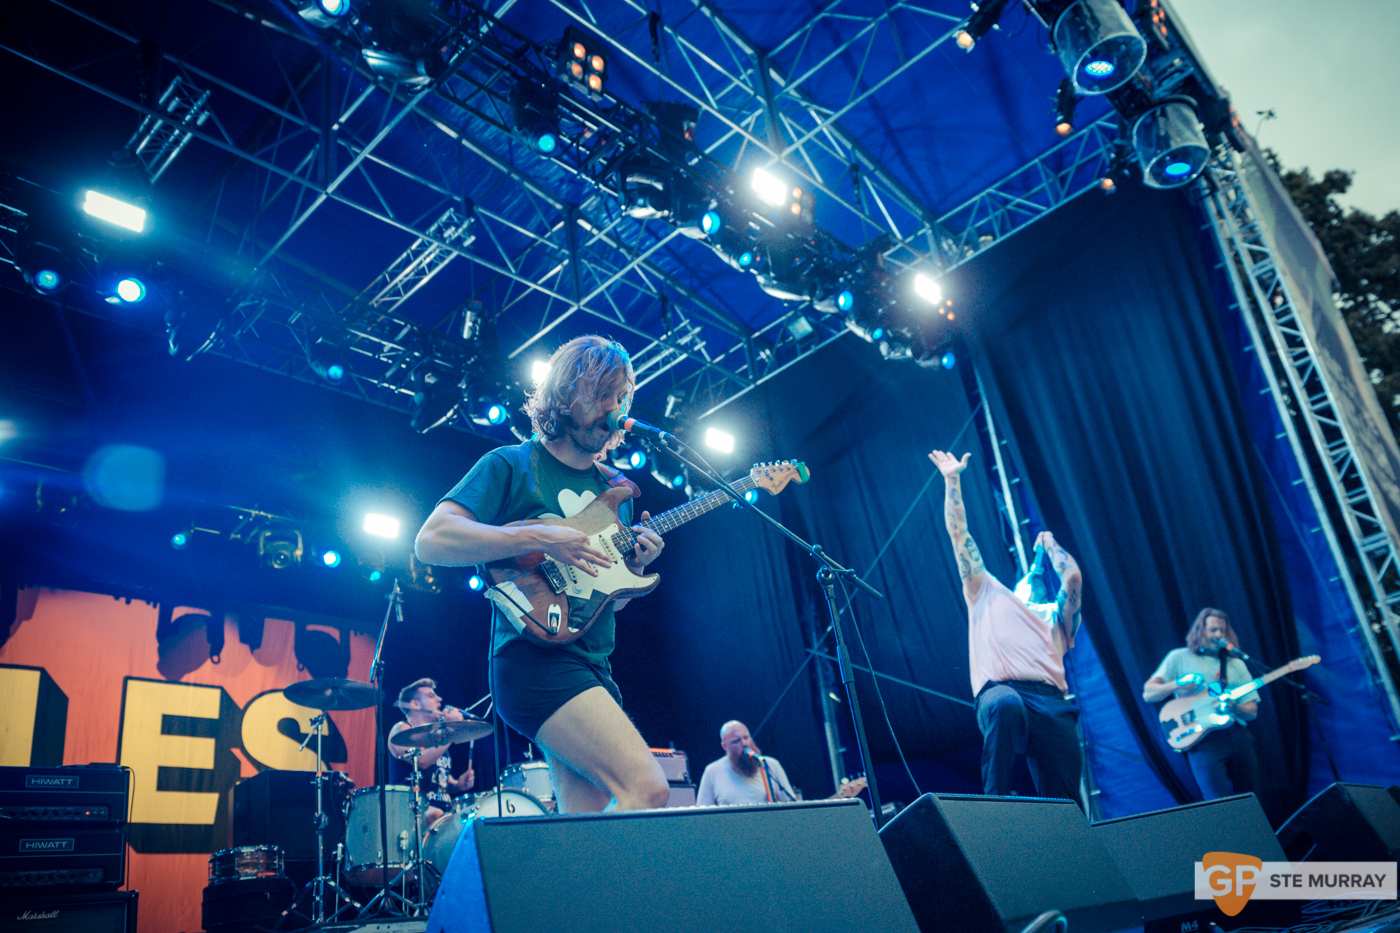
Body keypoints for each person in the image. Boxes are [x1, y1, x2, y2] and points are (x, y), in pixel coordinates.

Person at [415, 335, 670, 814]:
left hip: (593, 661)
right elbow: (431, 540)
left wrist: (635, 566)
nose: (614, 410)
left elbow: (608, 601)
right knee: (649, 789)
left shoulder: (616, 489)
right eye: (602, 395)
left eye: (621, 397)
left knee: (584, 825)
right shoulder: (511, 464)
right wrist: (539, 536)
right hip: (534, 661)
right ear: (565, 394)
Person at [929, 449, 1086, 808]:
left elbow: (1073, 578)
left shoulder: (1056, 620)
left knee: (1067, 799)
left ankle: (1070, 832)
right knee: (1006, 704)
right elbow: (959, 534)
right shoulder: (988, 592)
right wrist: (952, 479)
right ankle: (996, 806)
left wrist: (1049, 544)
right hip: (1000, 692)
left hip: (1051, 701)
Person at [1143, 608, 1260, 800]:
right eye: (1213, 630)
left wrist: (1235, 708)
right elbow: (1149, 693)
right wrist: (1178, 684)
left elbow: (1252, 712)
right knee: (1219, 805)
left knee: (1251, 800)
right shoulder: (1178, 657)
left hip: (1237, 737)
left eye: (1223, 630)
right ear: (1200, 631)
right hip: (1203, 743)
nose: (1219, 635)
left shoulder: (1236, 664)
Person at [386, 678, 476, 825]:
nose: (439, 699)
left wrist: (458, 785)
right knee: (437, 815)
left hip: (443, 812)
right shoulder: (401, 730)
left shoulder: (436, 738)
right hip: (411, 813)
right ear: (415, 704)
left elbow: (439, 779)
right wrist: (451, 731)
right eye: (431, 696)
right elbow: (421, 761)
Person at [696, 721, 800, 806]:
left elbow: (791, 804)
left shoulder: (770, 764)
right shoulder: (712, 771)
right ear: (725, 746)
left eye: (746, 737)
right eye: (736, 741)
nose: (744, 743)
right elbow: (702, 813)